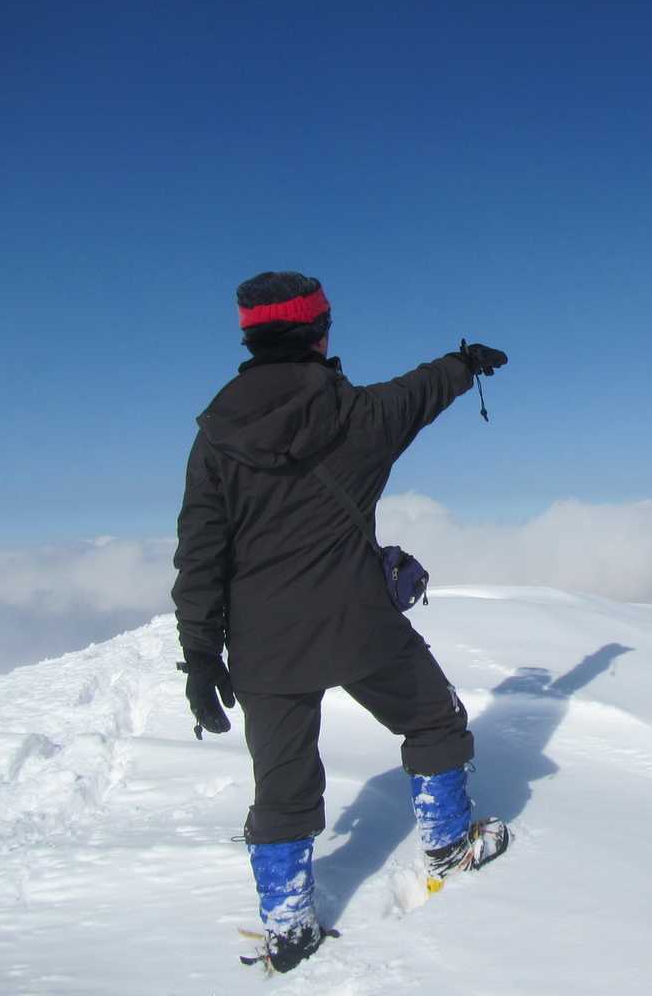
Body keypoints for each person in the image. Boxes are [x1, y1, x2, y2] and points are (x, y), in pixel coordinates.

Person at [171, 271, 510, 973]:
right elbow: (419, 392)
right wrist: (464, 364)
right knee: (434, 719)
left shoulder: (216, 438)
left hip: (264, 645)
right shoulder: (359, 415)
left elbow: (200, 554)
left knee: (282, 787)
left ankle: (289, 927)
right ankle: (449, 845)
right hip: (360, 626)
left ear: (251, 338)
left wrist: (201, 655)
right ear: (319, 333)